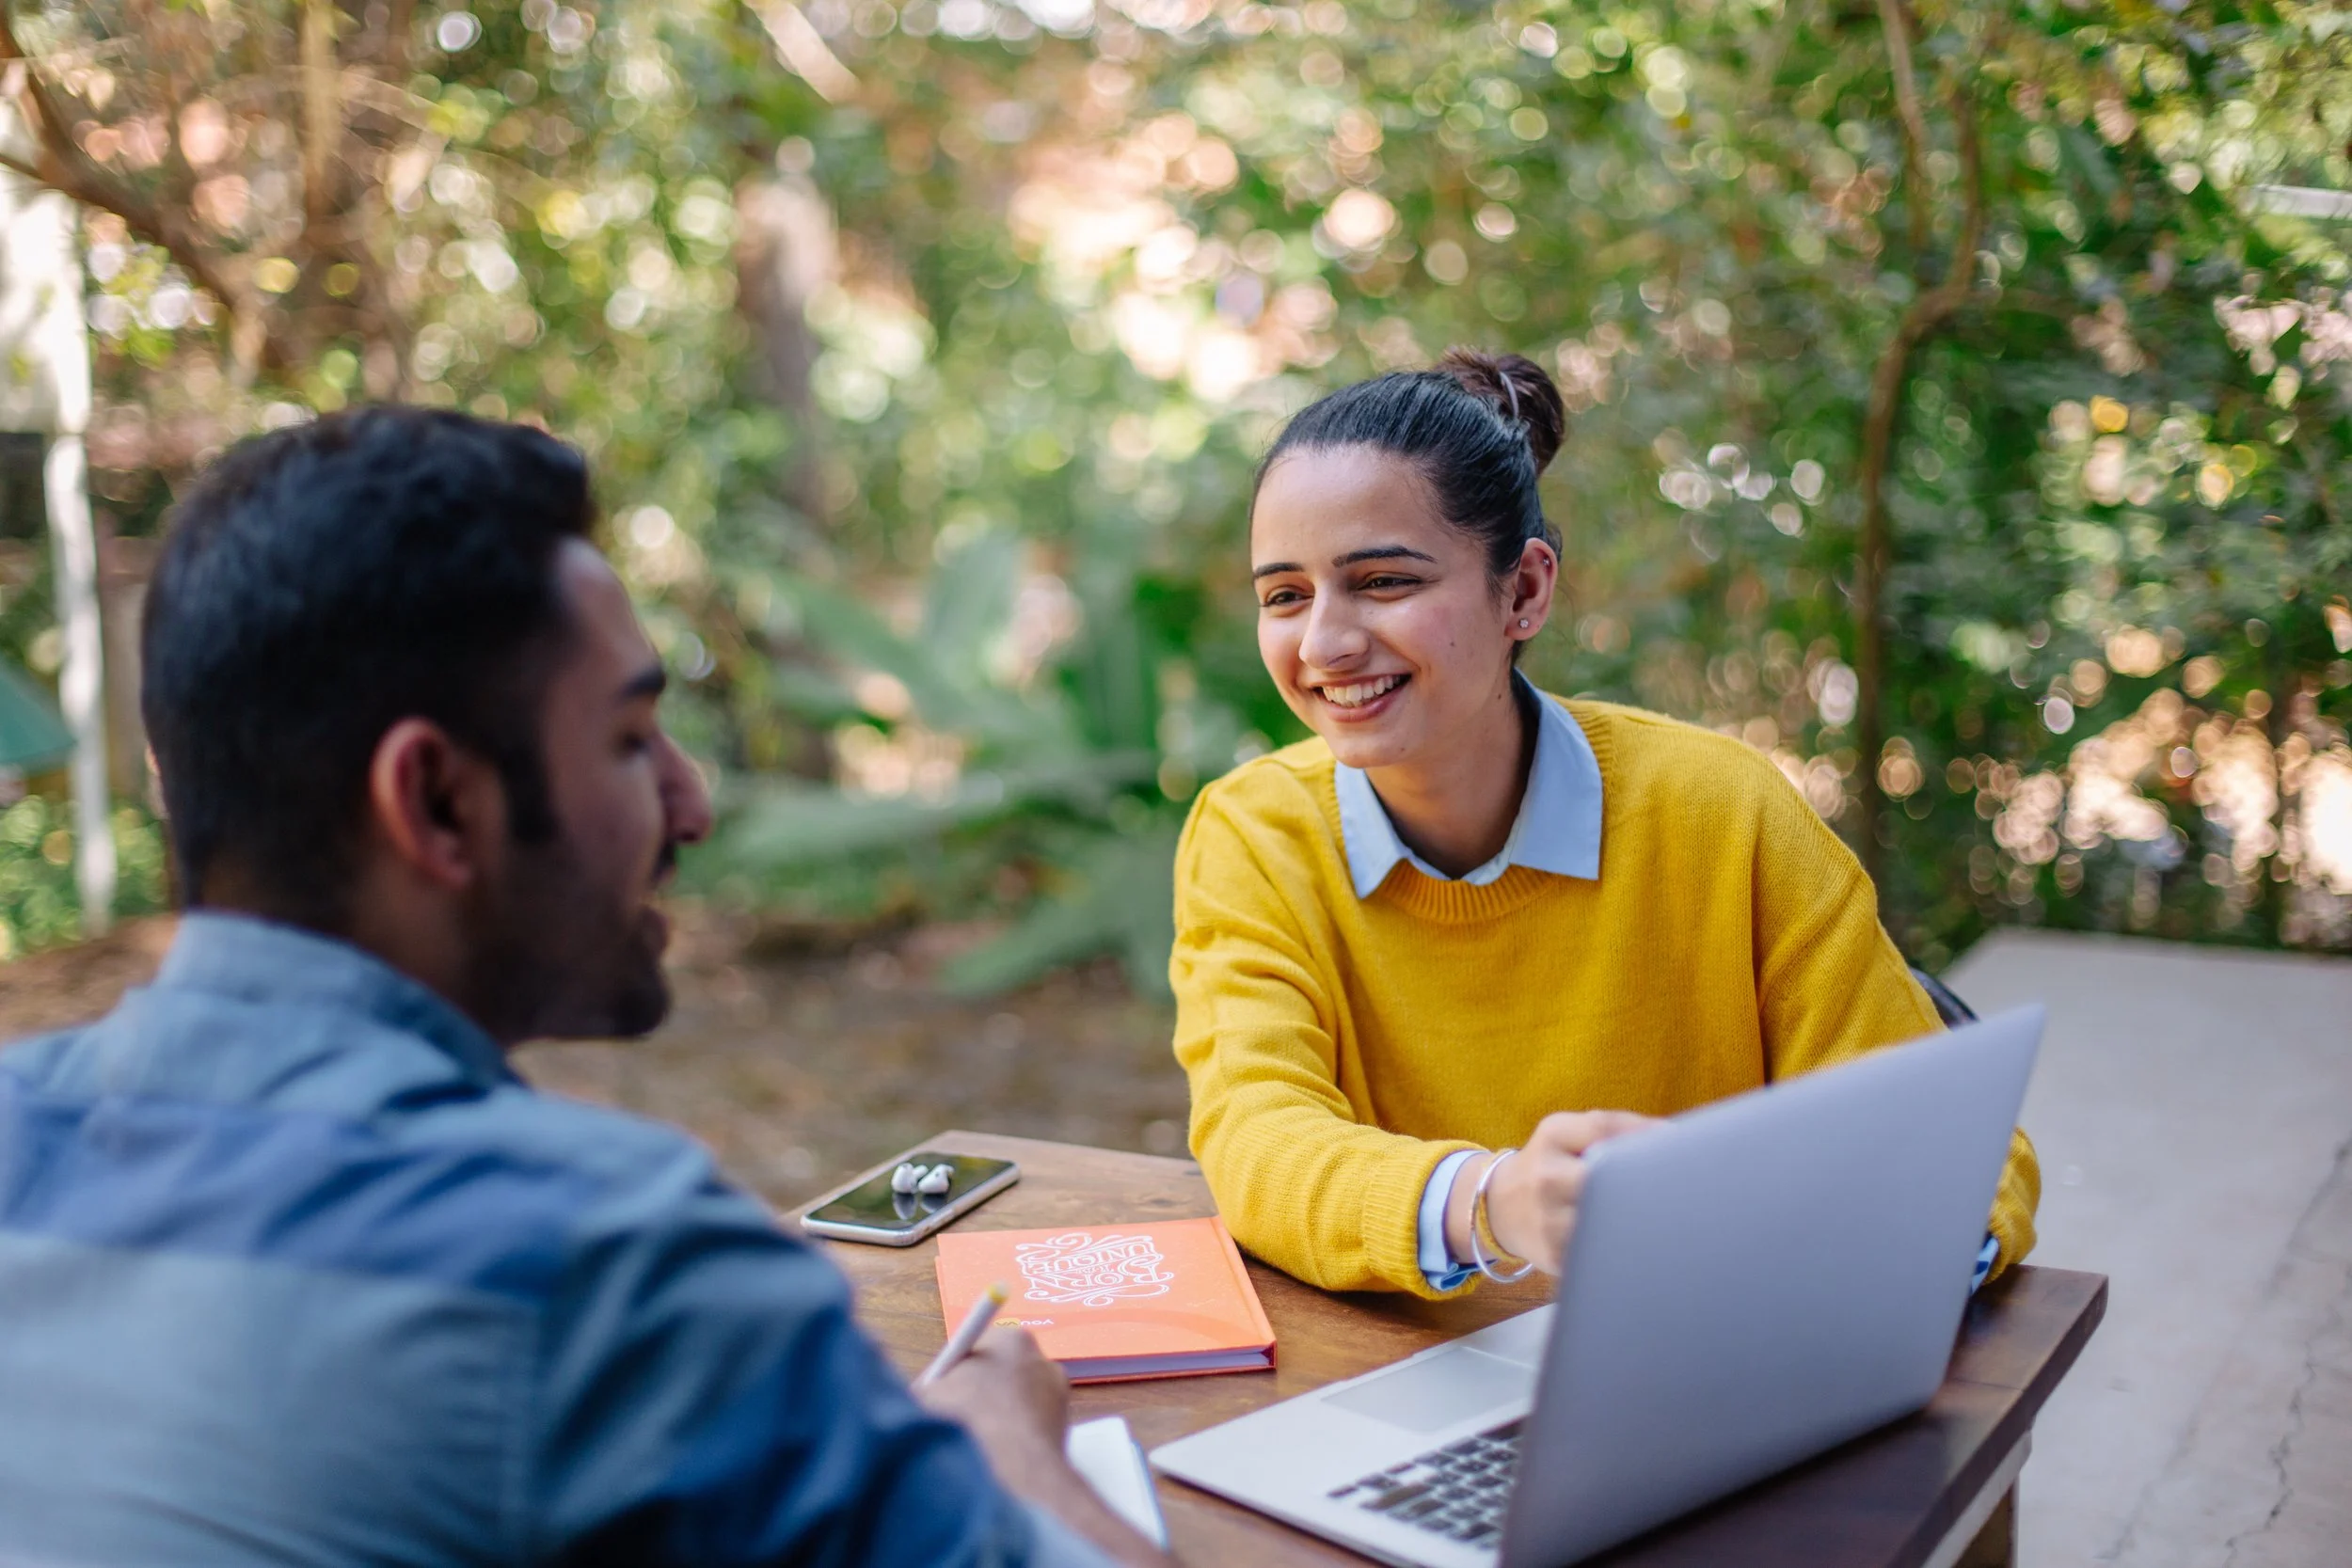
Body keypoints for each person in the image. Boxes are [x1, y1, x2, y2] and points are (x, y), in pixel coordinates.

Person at [0, 408, 1172, 1568]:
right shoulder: (609, 1260)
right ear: (440, 801)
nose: (691, 805)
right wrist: (1004, 1449)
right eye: (629, 739)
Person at [1170, 351, 2039, 1298]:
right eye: (1284, 596)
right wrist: (1491, 1202)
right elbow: (1256, 1138)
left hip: (1709, 1356)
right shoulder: (1254, 834)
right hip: (1412, 1375)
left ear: (1526, 590)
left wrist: (1883, 1250)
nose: (1325, 642)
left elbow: (1963, 1156)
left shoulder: (1723, 812)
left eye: (1381, 581)